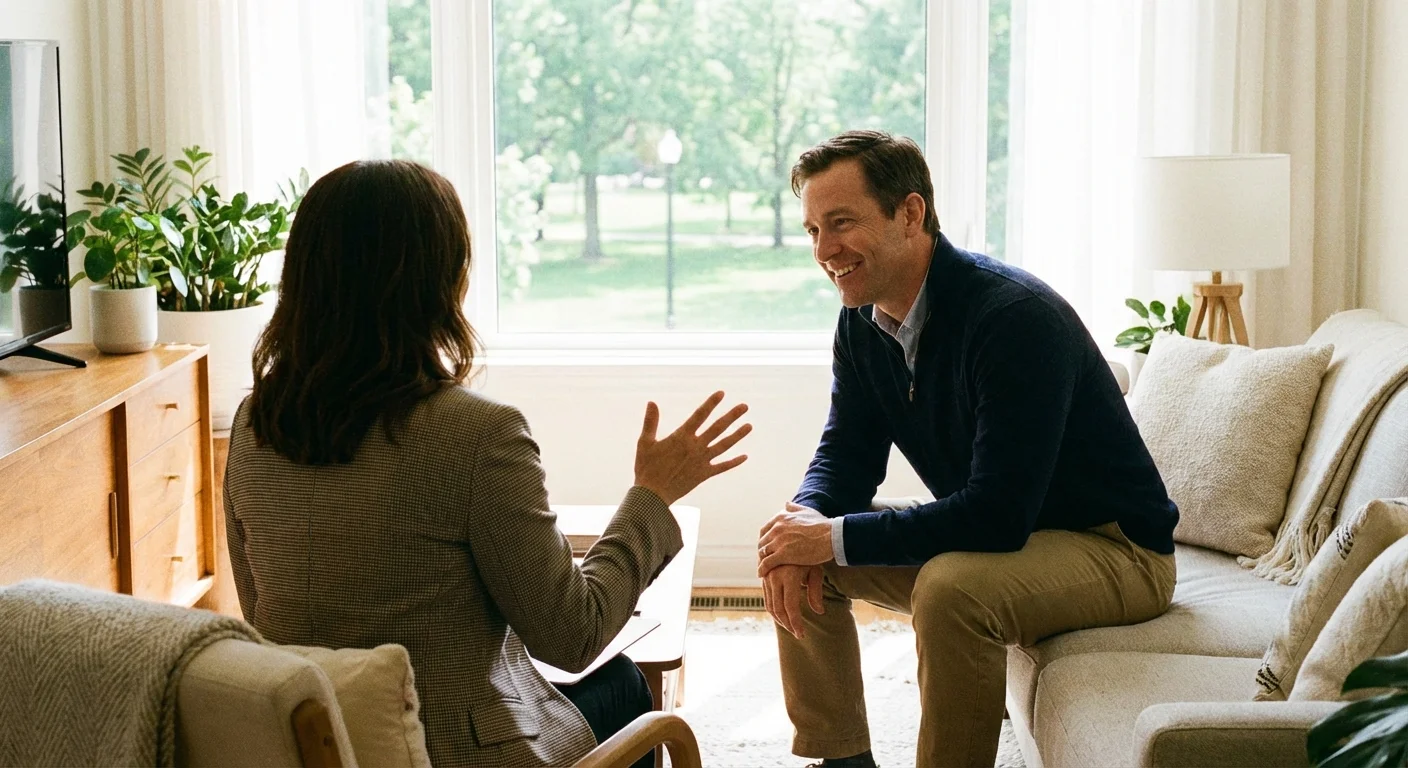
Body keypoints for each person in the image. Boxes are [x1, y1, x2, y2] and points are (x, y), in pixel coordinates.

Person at [224, 159, 751, 768]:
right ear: (438, 282)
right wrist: (652, 495)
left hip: (317, 747)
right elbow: (574, 636)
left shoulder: (253, 423)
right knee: (626, 684)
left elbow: (260, 613)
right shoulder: (477, 433)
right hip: (450, 753)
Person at [754, 130, 1180, 768]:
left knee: (951, 591)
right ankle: (842, 760)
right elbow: (845, 455)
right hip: (1013, 537)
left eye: (841, 222)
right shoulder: (861, 322)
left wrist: (831, 535)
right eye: (813, 230)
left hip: (1117, 549)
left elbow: (997, 515)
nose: (824, 250)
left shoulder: (1012, 318)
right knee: (789, 548)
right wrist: (807, 522)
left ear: (910, 213)